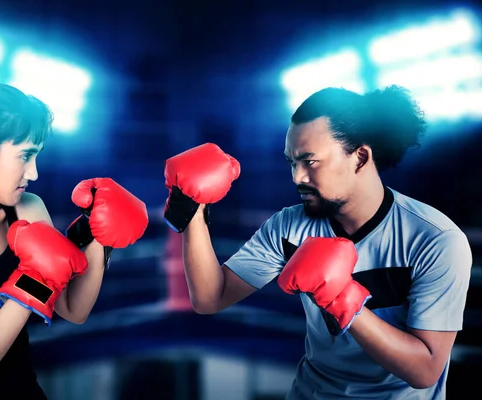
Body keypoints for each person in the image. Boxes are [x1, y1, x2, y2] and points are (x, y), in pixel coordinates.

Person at [162, 85, 472, 399]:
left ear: (360, 157)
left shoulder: (435, 239)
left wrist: (345, 301)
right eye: (292, 163)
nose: (297, 177)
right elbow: (210, 298)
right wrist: (193, 211)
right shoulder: (289, 226)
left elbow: (425, 370)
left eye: (310, 162)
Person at [0, 83, 149, 399]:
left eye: (36, 155)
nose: (33, 173)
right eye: (25, 155)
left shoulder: (28, 208)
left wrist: (99, 237)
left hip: (18, 388)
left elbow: (73, 309)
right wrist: (32, 283)